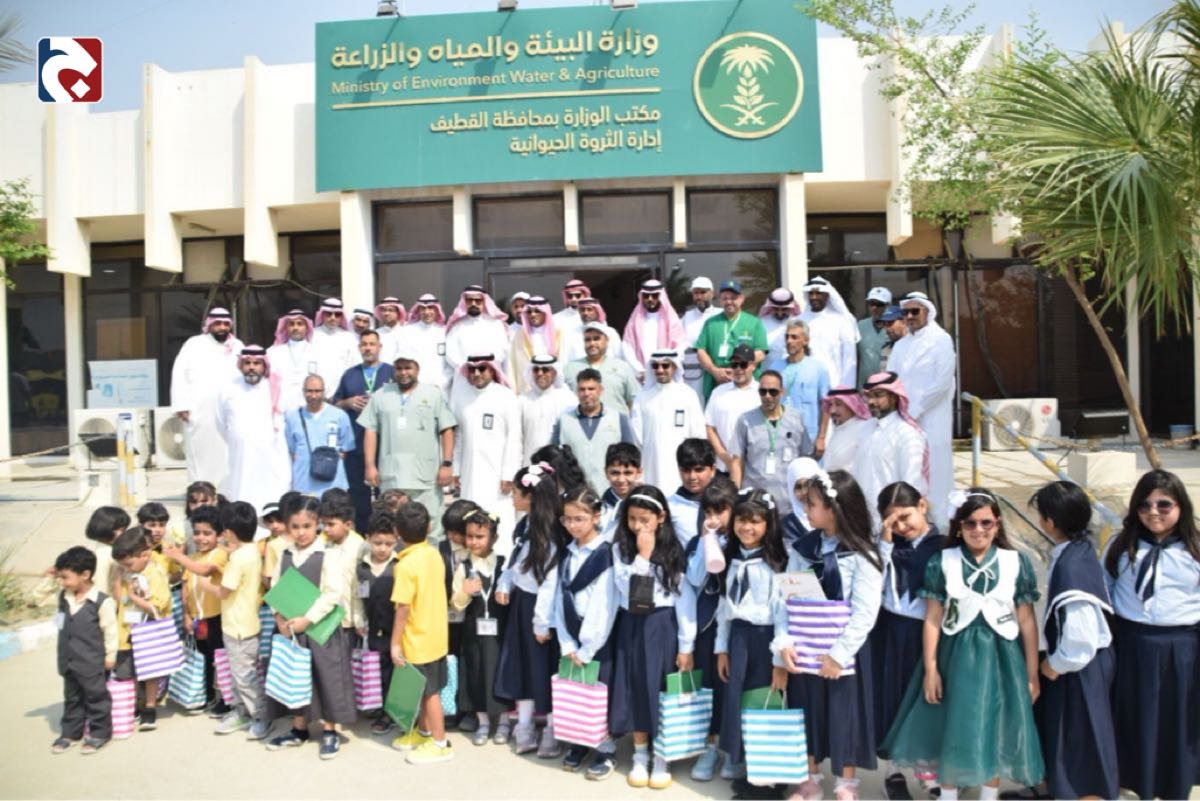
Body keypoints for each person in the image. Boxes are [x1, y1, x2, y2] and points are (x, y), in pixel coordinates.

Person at [880, 489, 1044, 801]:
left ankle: (988, 795)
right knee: (952, 725)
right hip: (954, 656)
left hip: (1001, 657)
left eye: (986, 522)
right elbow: (933, 618)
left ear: (997, 524)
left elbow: (1026, 621)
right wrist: (931, 669)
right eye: (970, 523)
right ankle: (948, 794)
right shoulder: (943, 561)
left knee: (996, 727)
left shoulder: (1015, 562)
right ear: (959, 527)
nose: (978, 530)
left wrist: (1032, 673)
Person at [782, 470, 884, 801]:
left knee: (845, 714)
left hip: (844, 652)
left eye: (811, 503)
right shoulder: (803, 548)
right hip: (806, 643)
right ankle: (810, 778)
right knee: (806, 710)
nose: (805, 509)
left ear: (834, 508)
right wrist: (784, 641)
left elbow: (865, 611)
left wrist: (839, 654)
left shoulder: (862, 553)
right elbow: (787, 598)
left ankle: (845, 783)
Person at [1103, 469, 1200, 801]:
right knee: (1136, 718)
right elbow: (1106, 589)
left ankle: (1175, 788)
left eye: (1164, 504)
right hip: (1133, 643)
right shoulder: (1121, 545)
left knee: (1178, 721)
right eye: (1144, 505)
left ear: (1181, 507)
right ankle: (1137, 784)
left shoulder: (1194, 549)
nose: (1153, 512)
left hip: (1182, 647)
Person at [1024, 481, 1116, 801]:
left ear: (1049, 522)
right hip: (1085, 667)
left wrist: (1052, 666)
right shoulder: (1080, 550)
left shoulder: (1071, 567)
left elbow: (1080, 639)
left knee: (1080, 748)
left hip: (1079, 670)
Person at [609, 486, 696, 790]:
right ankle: (640, 753)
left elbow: (685, 600)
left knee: (659, 688)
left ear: (661, 517)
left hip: (662, 626)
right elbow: (629, 591)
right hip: (631, 623)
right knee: (635, 687)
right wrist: (643, 556)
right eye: (632, 519)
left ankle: (662, 755)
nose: (637, 526)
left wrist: (686, 645)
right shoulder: (621, 549)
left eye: (644, 519)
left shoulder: (674, 551)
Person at [869, 482, 946, 801]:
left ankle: (931, 772)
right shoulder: (888, 546)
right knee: (893, 698)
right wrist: (885, 541)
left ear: (922, 506)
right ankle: (894, 772)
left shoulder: (943, 546)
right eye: (893, 520)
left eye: (905, 516)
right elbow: (875, 580)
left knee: (927, 699)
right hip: (890, 628)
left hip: (929, 631)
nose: (901, 526)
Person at [265, 496, 356, 760]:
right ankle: (299, 728)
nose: (301, 532)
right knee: (295, 678)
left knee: (326, 677)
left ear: (318, 525)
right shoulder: (285, 553)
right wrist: (279, 618)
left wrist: (307, 619)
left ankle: (329, 730)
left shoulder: (329, 554)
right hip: (290, 629)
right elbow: (275, 588)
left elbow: (332, 593)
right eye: (295, 527)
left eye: (307, 526)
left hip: (319, 629)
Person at [713, 489, 792, 787]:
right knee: (738, 698)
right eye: (741, 520)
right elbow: (724, 606)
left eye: (755, 521)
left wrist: (780, 660)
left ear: (768, 524)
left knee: (764, 698)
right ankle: (742, 759)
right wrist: (722, 647)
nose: (747, 527)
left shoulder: (780, 560)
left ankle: (767, 772)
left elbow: (784, 612)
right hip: (739, 638)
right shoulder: (729, 557)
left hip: (766, 639)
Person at [494, 466, 562, 757]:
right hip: (522, 603)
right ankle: (524, 724)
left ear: (530, 496)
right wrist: (505, 583)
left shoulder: (551, 532)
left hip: (542, 609)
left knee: (544, 669)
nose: (512, 497)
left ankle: (551, 728)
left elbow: (550, 580)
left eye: (516, 493)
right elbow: (516, 562)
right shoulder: (525, 526)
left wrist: (541, 622)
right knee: (520, 665)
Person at [555, 486, 621, 780]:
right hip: (571, 634)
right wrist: (566, 642)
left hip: (597, 641)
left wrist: (587, 648)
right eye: (567, 519)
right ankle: (579, 741)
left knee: (599, 695)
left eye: (579, 519)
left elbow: (604, 606)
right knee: (576, 693)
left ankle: (606, 749)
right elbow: (560, 596)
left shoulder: (606, 554)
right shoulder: (568, 552)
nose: (572, 525)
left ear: (596, 516)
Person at [359, 347, 457, 539]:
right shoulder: (380, 395)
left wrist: (447, 464)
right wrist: (370, 465)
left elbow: (447, 429)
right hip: (392, 476)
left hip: (425, 476)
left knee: (431, 527)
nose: (403, 373)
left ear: (417, 369)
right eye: (399, 368)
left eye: (408, 368)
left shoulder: (433, 394)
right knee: (392, 527)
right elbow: (370, 430)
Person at [389, 502, 455, 765]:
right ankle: (424, 732)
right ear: (429, 527)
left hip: (418, 638)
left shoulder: (405, 565)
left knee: (429, 693)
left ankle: (440, 744)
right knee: (425, 689)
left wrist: (395, 643)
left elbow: (403, 607)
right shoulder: (433, 554)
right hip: (436, 634)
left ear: (397, 532)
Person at [684, 476, 739, 782]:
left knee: (732, 688)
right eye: (708, 512)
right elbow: (694, 579)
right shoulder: (698, 542)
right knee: (709, 688)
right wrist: (706, 541)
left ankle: (732, 750)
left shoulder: (744, 543)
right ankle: (710, 747)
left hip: (737, 628)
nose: (713, 518)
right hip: (707, 627)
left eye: (720, 511)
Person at [888, 292, 956, 528]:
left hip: (933, 419)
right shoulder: (901, 345)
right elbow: (892, 380)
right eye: (905, 312)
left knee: (936, 470)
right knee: (908, 466)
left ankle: (940, 525)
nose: (909, 316)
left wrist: (915, 410)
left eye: (915, 311)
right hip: (903, 419)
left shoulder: (942, 340)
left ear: (928, 312)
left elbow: (942, 383)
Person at [162, 505, 227, 715]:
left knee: (219, 660)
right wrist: (187, 615)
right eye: (197, 533)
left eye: (207, 533)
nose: (201, 538)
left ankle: (225, 699)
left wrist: (179, 557)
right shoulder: (194, 556)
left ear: (220, 535)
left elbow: (204, 571)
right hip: (198, 618)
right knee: (203, 658)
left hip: (216, 617)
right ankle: (206, 696)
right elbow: (185, 587)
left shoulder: (219, 554)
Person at [51, 546, 116, 755]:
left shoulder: (101, 601)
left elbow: (110, 631)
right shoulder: (64, 596)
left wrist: (110, 656)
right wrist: (48, 578)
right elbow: (37, 598)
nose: (62, 582)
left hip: (91, 660)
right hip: (68, 659)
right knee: (72, 698)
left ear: (85, 575)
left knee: (96, 697)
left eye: (65, 577)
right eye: (60, 577)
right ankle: (70, 733)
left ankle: (99, 733)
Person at [451, 508, 506, 745]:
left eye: (480, 537)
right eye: (470, 536)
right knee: (476, 673)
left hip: (500, 631)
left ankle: (503, 722)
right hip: (473, 632)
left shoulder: (503, 564)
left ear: (494, 538)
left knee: (501, 673)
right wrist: (464, 592)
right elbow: (456, 604)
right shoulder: (463, 567)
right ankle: (483, 722)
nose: (474, 542)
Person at [450, 354, 522, 537]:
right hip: (469, 471)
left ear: (492, 369)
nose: (476, 373)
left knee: (500, 518)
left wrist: (509, 473)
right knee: (470, 515)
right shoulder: (461, 397)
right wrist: (456, 469)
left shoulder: (505, 396)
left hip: (497, 474)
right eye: (472, 369)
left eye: (481, 368)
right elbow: (458, 435)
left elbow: (514, 437)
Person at [170, 306, 243, 485]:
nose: (222, 327)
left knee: (229, 451)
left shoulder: (238, 346)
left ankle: (227, 491)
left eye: (226, 324)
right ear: (209, 325)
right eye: (218, 323)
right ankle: (201, 491)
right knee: (200, 450)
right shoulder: (194, 344)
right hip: (200, 410)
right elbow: (179, 374)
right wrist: (181, 404)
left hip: (230, 409)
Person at [332, 330, 396, 530]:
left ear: (379, 347)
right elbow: (335, 404)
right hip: (356, 445)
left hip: (386, 445)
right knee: (358, 497)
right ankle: (361, 535)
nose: (368, 348)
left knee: (388, 496)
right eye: (364, 344)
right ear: (359, 348)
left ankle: (387, 535)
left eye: (372, 344)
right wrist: (348, 402)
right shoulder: (350, 375)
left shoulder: (392, 373)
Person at [215, 346, 290, 515]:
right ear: (241, 365)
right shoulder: (228, 388)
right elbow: (220, 421)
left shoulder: (275, 388)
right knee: (241, 490)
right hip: (239, 454)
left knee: (268, 493)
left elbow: (282, 421)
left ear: (264, 366)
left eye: (256, 363)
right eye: (247, 363)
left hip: (269, 455)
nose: (251, 367)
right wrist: (238, 439)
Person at [112, 526, 173, 732]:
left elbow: (158, 606)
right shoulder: (127, 573)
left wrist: (135, 596)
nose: (126, 568)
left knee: (150, 671)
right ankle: (134, 704)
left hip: (148, 632)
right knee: (127, 671)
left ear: (145, 555)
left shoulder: (155, 574)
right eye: (122, 565)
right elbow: (120, 598)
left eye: (129, 564)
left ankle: (149, 707)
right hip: (126, 630)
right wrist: (120, 580)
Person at [855, 371, 929, 527]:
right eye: (868, 396)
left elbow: (910, 485)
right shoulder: (865, 428)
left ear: (894, 397)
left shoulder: (907, 434)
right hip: (863, 517)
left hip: (892, 522)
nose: (871, 402)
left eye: (878, 395)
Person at [731, 370, 812, 507]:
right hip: (755, 503)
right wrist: (735, 498)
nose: (767, 396)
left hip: (789, 503)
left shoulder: (796, 419)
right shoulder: (745, 420)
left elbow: (805, 459)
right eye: (763, 392)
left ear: (782, 392)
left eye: (773, 392)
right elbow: (736, 461)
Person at [551, 367, 637, 496]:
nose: (586, 393)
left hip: (610, 493)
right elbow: (554, 456)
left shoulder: (618, 418)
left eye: (591, 389)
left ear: (600, 390)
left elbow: (630, 456)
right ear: (577, 392)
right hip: (574, 494)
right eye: (582, 389)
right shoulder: (564, 420)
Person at [630, 349, 706, 488]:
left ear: (675, 367)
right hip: (651, 465)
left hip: (682, 466)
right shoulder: (642, 398)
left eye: (665, 365)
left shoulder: (688, 395)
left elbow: (698, 433)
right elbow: (636, 439)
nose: (660, 370)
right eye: (655, 366)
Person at [356, 511, 399, 735]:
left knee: (392, 671)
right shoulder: (361, 567)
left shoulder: (399, 565)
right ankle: (378, 705)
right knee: (376, 668)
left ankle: (389, 713)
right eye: (377, 543)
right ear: (367, 539)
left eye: (388, 544)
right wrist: (358, 619)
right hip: (372, 628)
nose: (382, 548)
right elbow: (356, 596)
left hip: (395, 629)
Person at [695, 280, 768, 402]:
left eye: (733, 298)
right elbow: (700, 351)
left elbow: (761, 352)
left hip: (745, 385)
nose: (729, 302)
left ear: (742, 299)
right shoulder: (710, 323)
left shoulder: (754, 323)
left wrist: (738, 368)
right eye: (725, 298)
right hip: (716, 382)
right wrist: (714, 370)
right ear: (720, 300)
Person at [769, 318, 831, 458]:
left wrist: (821, 438)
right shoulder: (775, 367)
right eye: (787, 337)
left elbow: (826, 405)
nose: (789, 341)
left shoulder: (818, 368)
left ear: (806, 341)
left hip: (809, 436)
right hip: (780, 434)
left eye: (794, 337)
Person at [284, 375, 355, 495]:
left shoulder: (340, 416)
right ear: (303, 391)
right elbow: (292, 450)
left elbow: (345, 448)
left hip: (333, 483)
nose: (313, 396)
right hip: (304, 484)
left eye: (317, 391)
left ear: (324, 391)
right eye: (309, 391)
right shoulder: (293, 417)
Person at [705, 345, 761, 472]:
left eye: (743, 365)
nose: (738, 369)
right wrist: (725, 458)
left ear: (753, 366)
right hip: (723, 467)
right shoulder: (718, 392)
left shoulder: (761, 392)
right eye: (734, 365)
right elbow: (710, 428)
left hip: (753, 468)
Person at [563, 321, 640, 412]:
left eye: (596, 339)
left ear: (607, 341)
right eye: (588, 340)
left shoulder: (622, 367)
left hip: (616, 420)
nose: (592, 343)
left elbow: (633, 400)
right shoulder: (570, 368)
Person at [799, 276, 860, 388]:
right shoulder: (799, 321)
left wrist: (846, 389)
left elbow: (849, 359)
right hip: (806, 383)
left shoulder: (841, 321)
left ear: (827, 296)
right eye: (811, 293)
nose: (814, 297)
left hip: (834, 384)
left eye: (818, 293)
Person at [622, 278, 685, 380]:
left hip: (666, 373)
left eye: (655, 295)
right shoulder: (635, 319)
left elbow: (680, 346)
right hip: (642, 376)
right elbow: (627, 346)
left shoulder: (671, 319)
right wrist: (639, 370)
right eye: (646, 296)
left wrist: (666, 366)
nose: (650, 299)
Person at [518, 355, 576, 465]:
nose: (540, 373)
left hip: (559, 466)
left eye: (545, 369)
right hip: (530, 465)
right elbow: (516, 439)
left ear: (554, 372)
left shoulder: (568, 399)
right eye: (536, 370)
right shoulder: (522, 400)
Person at [446, 286, 510, 383]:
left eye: (478, 300)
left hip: (489, 376)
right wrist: (468, 369)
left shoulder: (496, 324)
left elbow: (502, 350)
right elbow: (450, 352)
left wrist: (487, 368)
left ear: (484, 301)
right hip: (464, 377)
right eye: (469, 300)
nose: (473, 303)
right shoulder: (457, 325)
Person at [667, 438, 718, 548]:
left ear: (713, 470)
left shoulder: (726, 502)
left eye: (699, 470)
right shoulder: (670, 506)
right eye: (686, 470)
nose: (692, 477)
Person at [309, 298, 360, 400]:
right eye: (329, 314)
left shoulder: (349, 338)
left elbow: (355, 367)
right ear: (322, 314)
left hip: (342, 395)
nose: (333, 318)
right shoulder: (311, 336)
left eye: (337, 314)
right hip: (315, 395)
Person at [509, 295, 561, 393]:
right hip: (527, 392)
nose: (532, 315)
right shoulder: (519, 335)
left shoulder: (558, 334)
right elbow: (511, 366)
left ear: (545, 313)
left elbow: (564, 362)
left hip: (553, 390)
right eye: (529, 312)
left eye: (537, 311)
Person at [266, 309, 315, 412]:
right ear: (286, 327)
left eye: (300, 324)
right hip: (281, 409)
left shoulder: (317, 352)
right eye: (291, 324)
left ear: (307, 327)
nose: (295, 328)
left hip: (309, 408)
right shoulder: (273, 352)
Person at [681, 276, 721, 400]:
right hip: (694, 372)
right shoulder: (686, 317)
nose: (699, 297)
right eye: (696, 293)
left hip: (717, 368)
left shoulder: (720, 314)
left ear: (712, 293)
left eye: (703, 292)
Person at [819, 387, 875, 474]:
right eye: (831, 405)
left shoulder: (864, 428)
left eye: (838, 405)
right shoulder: (839, 428)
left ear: (851, 405)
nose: (832, 410)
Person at [404, 293, 451, 390]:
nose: (427, 312)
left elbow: (450, 364)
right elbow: (404, 360)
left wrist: (441, 383)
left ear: (437, 310)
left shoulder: (445, 333)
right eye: (423, 308)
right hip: (414, 388)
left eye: (430, 308)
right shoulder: (407, 332)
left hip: (440, 388)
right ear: (418, 311)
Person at [83, 506, 128, 597]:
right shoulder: (104, 554)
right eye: (121, 530)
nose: (124, 534)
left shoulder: (99, 548)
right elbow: (101, 586)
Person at [601, 442, 643, 539]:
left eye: (628, 473)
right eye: (615, 473)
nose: (621, 480)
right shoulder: (597, 511)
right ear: (606, 472)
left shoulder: (649, 506)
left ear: (639, 473)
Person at [561, 296, 619, 363]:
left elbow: (618, 356)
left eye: (589, 309)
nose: (585, 313)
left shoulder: (610, 332)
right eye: (582, 310)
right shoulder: (570, 334)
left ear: (597, 311)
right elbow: (564, 359)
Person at [856, 287, 893, 388]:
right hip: (864, 388)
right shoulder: (860, 325)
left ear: (888, 305)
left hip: (888, 387)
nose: (874, 308)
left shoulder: (895, 328)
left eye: (879, 304)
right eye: (871, 304)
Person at [759, 287, 802, 367]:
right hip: (769, 371)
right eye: (776, 309)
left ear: (791, 308)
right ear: (770, 307)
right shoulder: (762, 324)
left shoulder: (798, 323)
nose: (780, 313)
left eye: (784, 309)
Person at [553, 279, 590, 362]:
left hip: (587, 361)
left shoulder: (594, 317)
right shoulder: (556, 318)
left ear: (585, 295)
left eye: (577, 295)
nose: (573, 299)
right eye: (570, 296)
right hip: (564, 363)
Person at [372, 296, 407, 360]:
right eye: (384, 310)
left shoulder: (407, 333)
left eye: (391, 310)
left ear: (399, 313)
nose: (386, 313)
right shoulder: (375, 334)